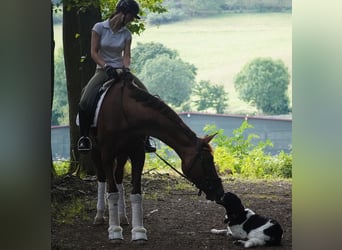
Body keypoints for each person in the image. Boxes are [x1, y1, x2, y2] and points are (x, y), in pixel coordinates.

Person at [77, 0, 156, 153]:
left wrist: (126, 69)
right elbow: (94, 52)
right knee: (85, 100)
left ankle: (146, 139)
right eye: (131, 16)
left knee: (146, 95)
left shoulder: (126, 34)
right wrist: (106, 66)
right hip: (103, 70)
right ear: (122, 13)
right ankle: (85, 138)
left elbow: (126, 55)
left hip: (121, 70)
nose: (132, 19)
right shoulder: (99, 28)